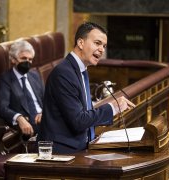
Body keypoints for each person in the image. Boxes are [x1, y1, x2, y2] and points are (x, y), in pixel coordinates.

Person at [37, 22, 135, 153]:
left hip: (79, 147)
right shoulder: (64, 73)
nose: (102, 49)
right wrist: (113, 108)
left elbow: (83, 111)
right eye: (97, 43)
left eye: (104, 46)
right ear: (81, 43)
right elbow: (78, 120)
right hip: (62, 153)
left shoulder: (80, 69)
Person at [0, 40, 44, 137]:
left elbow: (48, 99)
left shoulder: (35, 75)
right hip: (27, 124)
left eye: (30, 59)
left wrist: (44, 113)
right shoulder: (5, 78)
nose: (27, 62)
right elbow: (2, 107)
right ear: (13, 59)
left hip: (43, 120)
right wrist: (19, 118)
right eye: (24, 58)